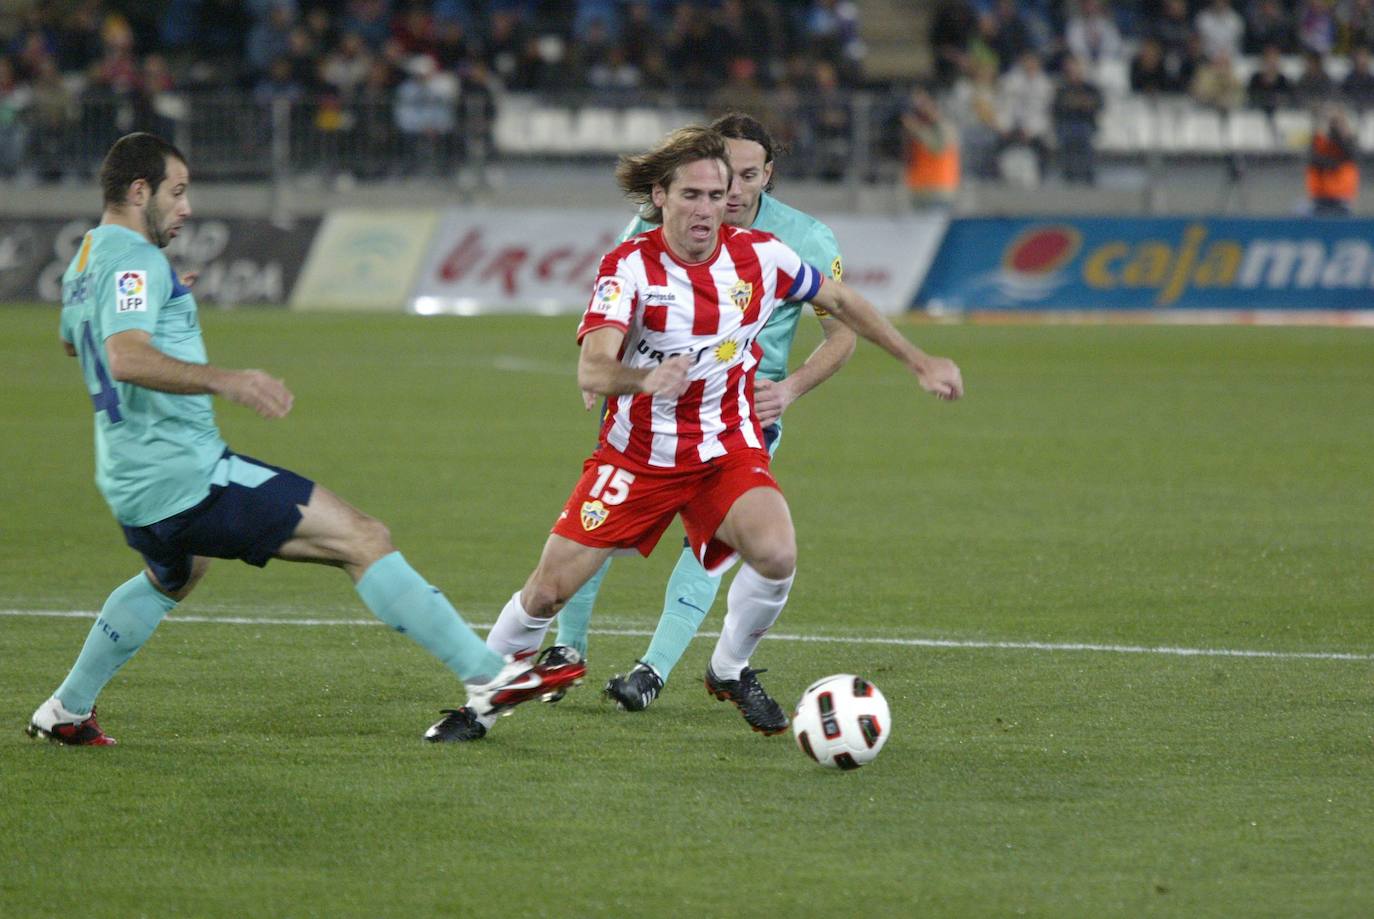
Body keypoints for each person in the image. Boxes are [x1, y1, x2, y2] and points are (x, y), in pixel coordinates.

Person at [27, 132, 584, 747]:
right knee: (363, 538)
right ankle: (488, 677)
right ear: (140, 191)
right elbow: (125, 356)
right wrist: (228, 379)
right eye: (177, 191)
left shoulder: (88, 260)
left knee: (176, 574)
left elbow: (73, 339)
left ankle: (68, 710)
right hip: (184, 477)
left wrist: (161, 298)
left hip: (130, 483)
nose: (186, 207)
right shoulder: (134, 260)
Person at [423, 125, 963, 742]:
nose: (708, 208)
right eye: (693, 195)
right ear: (660, 196)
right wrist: (643, 378)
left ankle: (727, 668)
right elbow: (592, 367)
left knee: (776, 552)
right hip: (636, 458)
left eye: (717, 194)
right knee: (546, 591)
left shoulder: (763, 255)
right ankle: (479, 706)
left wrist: (918, 359)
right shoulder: (627, 267)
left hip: (726, 449)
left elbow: (841, 302)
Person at [552, 112, 857, 715]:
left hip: (742, 407)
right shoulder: (663, 218)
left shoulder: (805, 238)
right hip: (654, 396)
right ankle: (566, 650)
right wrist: (599, 369)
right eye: (724, 178)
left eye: (748, 177)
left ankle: (653, 669)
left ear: (768, 175)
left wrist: (791, 388)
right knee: (600, 529)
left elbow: (843, 334)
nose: (734, 193)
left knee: (714, 547)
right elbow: (610, 294)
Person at [1307, 103, 1358, 215]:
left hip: (1342, 194)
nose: (1331, 125)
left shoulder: (1347, 139)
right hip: (1319, 195)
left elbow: (1349, 154)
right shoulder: (1319, 139)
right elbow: (1314, 159)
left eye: (1335, 121)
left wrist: (1340, 132)